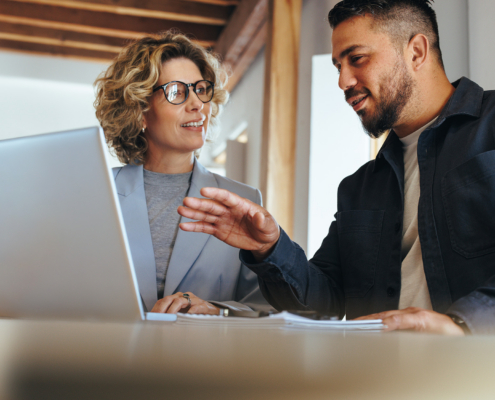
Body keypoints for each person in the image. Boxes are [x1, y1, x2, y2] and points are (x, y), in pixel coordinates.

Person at [176, 0, 495, 334]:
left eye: (356, 59)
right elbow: (321, 304)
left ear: (415, 52)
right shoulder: (359, 188)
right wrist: (268, 248)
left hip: (474, 377)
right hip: (376, 378)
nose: (343, 81)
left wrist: (461, 325)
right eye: (337, 66)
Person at [94, 32, 271, 315]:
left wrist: (217, 311)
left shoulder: (243, 200)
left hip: (202, 358)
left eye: (200, 89)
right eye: (177, 92)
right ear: (140, 110)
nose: (197, 104)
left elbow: (266, 306)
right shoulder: (95, 194)